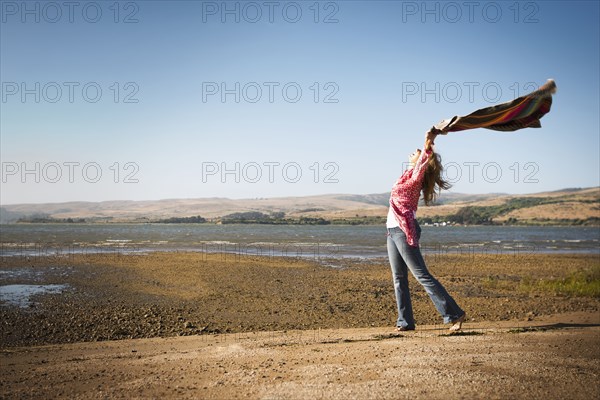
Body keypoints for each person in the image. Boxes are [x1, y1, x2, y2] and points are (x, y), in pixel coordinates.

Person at [386, 127, 466, 332]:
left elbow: (427, 155)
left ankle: (454, 314)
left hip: (404, 231)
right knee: (399, 278)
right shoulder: (407, 175)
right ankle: (405, 321)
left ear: (423, 163)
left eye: (419, 152)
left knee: (421, 275)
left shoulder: (415, 179)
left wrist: (428, 139)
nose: (415, 151)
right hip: (392, 231)